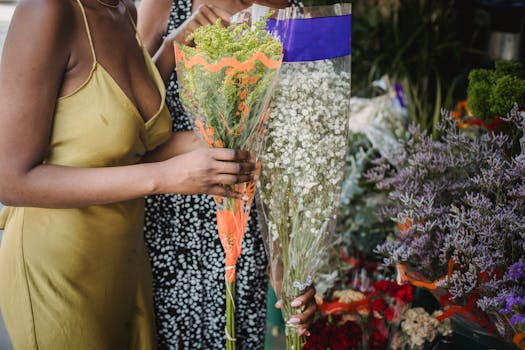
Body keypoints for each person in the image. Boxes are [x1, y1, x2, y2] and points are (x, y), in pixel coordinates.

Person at [0, 0, 258, 348]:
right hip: (61, 270)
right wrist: (165, 177)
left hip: (126, 261)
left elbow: (120, 138)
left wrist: (176, 48)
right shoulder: (47, 11)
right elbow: (10, 180)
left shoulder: (123, 10)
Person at [136, 1, 313, 349]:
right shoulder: (166, 5)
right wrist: (178, 41)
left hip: (248, 236)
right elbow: (128, 129)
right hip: (172, 232)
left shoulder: (294, 14)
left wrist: (290, 258)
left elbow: (295, 153)